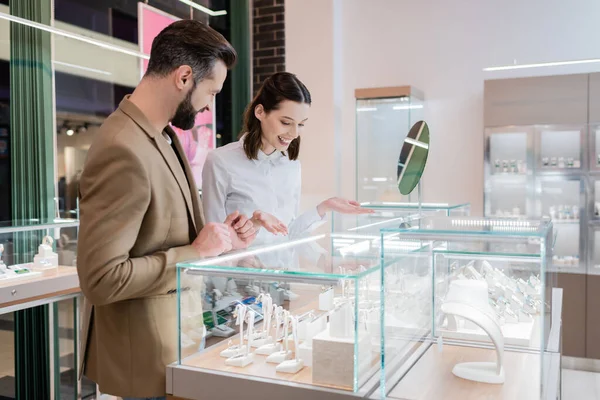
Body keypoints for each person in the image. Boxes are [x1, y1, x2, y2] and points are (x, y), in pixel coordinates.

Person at [76, 20, 256, 400]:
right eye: (211, 91)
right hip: (145, 364)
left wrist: (220, 238)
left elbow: (163, 232)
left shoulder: (164, 135)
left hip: (178, 345)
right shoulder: (121, 147)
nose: (210, 106)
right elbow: (101, 279)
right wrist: (197, 251)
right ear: (184, 76)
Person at [202, 72, 373, 244]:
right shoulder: (220, 162)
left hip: (284, 269)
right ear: (260, 112)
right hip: (242, 269)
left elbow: (288, 233)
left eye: (301, 124)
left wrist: (324, 207)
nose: (294, 133)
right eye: (286, 122)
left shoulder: (291, 166)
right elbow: (214, 237)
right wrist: (254, 228)